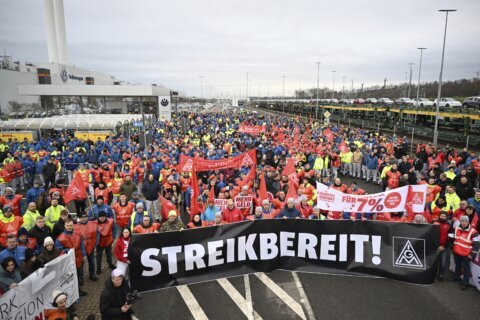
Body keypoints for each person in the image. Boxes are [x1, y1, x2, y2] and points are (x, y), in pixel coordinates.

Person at [55, 218, 87, 296]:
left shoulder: (78, 234)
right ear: (65, 226)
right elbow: (59, 250)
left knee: (79, 274)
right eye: (68, 225)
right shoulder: (60, 238)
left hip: (78, 257)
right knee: (70, 277)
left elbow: (82, 245)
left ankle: (79, 290)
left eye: (71, 225)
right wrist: (67, 250)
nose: (69, 227)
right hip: (68, 260)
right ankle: (72, 293)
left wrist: (84, 255)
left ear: (73, 226)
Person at [449, 215, 480, 290]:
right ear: (460, 221)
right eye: (462, 221)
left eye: (465, 221)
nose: (464, 222)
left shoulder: (473, 232)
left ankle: (465, 283)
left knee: (466, 268)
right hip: (457, 252)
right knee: (458, 265)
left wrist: (472, 255)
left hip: (467, 254)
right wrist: (452, 247)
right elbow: (453, 238)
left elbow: (476, 245)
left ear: (468, 222)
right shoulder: (456, 228)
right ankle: (457, 277)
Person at [74, 212, 99, 282]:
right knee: (81, 263)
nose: (83, 218)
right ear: (79, 218)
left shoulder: (93, 224)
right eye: (82, 217)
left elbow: (97, 234)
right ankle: (80, 278)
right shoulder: (75, 226)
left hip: (91, 246)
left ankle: (92, 274)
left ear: (87, 217)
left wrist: (95, 243)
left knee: (91, 261)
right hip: (81, 248)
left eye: (85, 217)